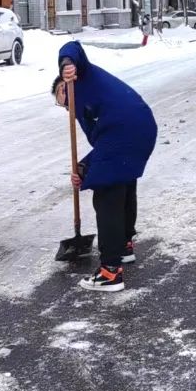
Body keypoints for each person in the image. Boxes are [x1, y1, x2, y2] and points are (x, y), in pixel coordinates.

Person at [54, 41, 157, 292]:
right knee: (121, 181)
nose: (65, 100)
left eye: (62, 91)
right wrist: (84, 168)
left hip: (126, 129)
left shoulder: (83, 74)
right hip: (140, 126)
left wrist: (67, 64)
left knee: (107, 195)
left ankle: (110, 272)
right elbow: (102, 150)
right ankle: (123, 246)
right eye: (61, 102)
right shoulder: (81, 109)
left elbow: (72, 46)